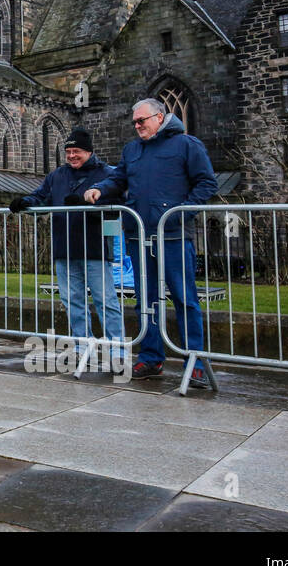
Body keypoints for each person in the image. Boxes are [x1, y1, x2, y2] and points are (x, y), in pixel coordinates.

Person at [85, 98, 219, 387]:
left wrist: (181, 212)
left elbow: (206, 183)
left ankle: (195, 361)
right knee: (146, 301)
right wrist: (98, 188)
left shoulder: (187, 144)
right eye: (134, 122)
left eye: (141, 121)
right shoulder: (132, 149)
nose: (137, 126)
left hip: (172, 236)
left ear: (159, 117)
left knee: (185, 300)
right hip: (138, 237)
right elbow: (118, 180)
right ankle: (150, 357)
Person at [9, 127, 125, 365]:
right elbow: (41, 196)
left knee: (106, 301)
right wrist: (24, 203)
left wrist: (89, 204)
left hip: (94, 247)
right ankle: (83, 347)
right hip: (65, 247)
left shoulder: (108, 174)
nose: (72, 156)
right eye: (69, 151)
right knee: (73, 301)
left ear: (89, 151)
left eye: (77, 151)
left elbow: (117, 203)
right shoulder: (57, 176)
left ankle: (117, 350)